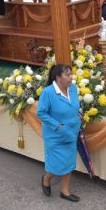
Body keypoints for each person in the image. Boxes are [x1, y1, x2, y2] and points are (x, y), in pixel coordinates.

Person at [38, 64, 81, 202]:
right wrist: (57, 125)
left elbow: (74, 106)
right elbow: (41, 113)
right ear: (58, 78)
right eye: (67, 75)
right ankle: (46, 178)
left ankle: (65, 191)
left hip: (71, 132)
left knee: (69, 162)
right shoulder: (48, 92)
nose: (71, 77)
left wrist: (78, 114)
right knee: (57, 164)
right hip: (55, 134)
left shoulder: (73, 88)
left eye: (71, 74)